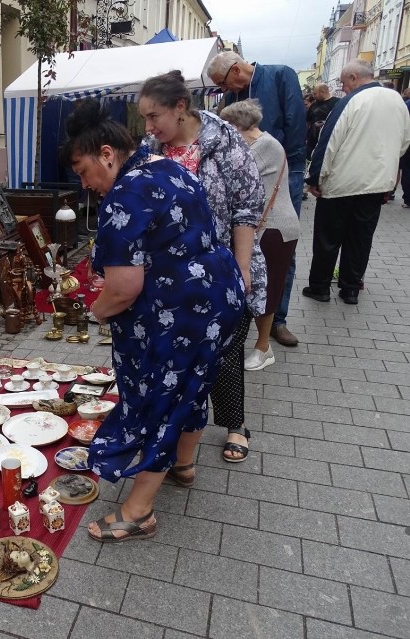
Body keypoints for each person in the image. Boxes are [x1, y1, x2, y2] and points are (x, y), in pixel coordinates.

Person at [62, 99, 244, 542]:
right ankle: (184, 464)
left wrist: (94, 311)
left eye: (84, 171)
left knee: (162, 401)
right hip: (219, 299)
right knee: (192, 385)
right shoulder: (167, 166)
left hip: (182, 314)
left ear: (107, 154)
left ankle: (139, 510)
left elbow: (123, 288)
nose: (86, 185)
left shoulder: (124, 195)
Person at [139, 70, 266, 463]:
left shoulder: (222, 140)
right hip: (171, 275)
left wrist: (242, 269)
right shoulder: (150, 148)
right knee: (177, 355)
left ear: (180, 108)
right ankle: (180, 434)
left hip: (223, 265)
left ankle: (235, 425)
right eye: (144, 118)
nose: (148, 127)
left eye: (153, 116)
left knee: (225, 352)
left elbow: (247, 205)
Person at [209, 51, 306, 349]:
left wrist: (280, 164)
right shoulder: (232, 99)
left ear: (236, 69)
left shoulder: (280, 75)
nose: (224, 92)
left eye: (223, 84)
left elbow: (295, 124)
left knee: (278, 254)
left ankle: (277, 320)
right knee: (249, 248)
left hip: (280, 166)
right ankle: (247, 315)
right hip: (251, 165)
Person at [304, 59, 410, 304]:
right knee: (360, 238)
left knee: (328, 238)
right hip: (377, 183)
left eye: (343, 82)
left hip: (342, 183)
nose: (343, 88)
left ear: (353, 77)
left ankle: (320, 287)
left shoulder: (351, 102)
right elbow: (404, 142)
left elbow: (329, 142)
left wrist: (316, 177)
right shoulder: (397, 100)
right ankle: (350, 288)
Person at [221, 100, 301, 371]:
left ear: (238, 126)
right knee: (257, 286)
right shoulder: (257, 143)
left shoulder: (263, 146)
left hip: (274, 228)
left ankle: (264, 348)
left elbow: (231, 176)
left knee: (267, 287)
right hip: (264, 227)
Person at [306, 84, 339, 161]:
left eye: (315, 93)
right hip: (312, 142)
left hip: (328, 142)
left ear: (323, 92)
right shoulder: (314, 105)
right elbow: (308, 121)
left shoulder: (337, 103)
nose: (313, 96)